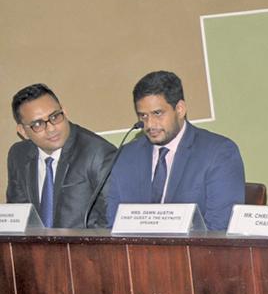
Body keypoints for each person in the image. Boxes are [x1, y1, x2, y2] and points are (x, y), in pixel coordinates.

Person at [105, 71, 245, 230]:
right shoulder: (126, 156)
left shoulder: (218, 153)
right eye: (143, 116)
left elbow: (220, 229)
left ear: (180, 109)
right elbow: (114, 226)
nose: (149, 124)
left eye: (157, 113)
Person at [7, 84, 116, 228]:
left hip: (84, 248)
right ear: (23, 131)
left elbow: (110, 221)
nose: (51, 128)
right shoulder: (18, 155)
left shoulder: (98, 153)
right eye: (38, 124)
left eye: (54, 116)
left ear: (64, 111)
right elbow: (18, 218)